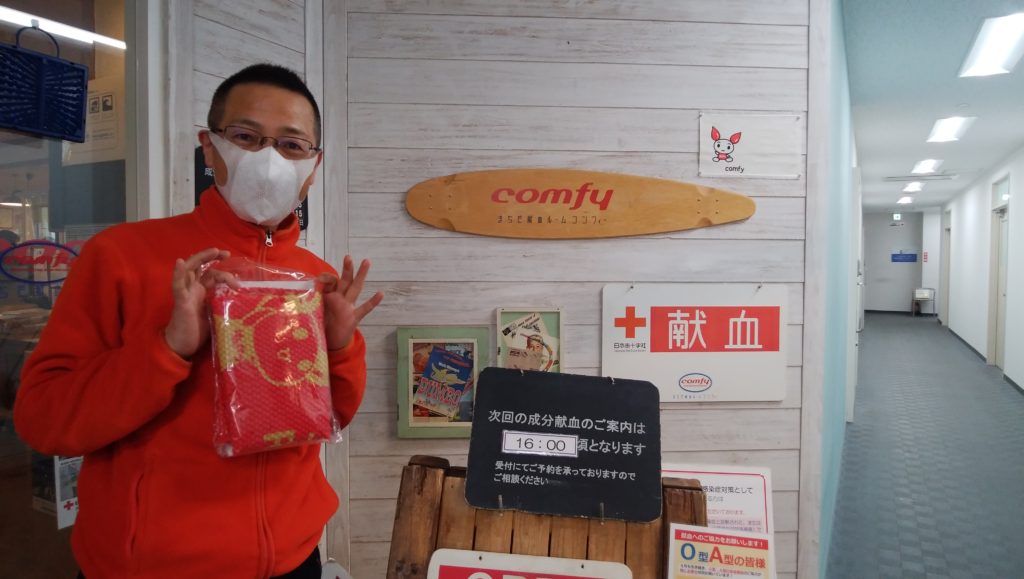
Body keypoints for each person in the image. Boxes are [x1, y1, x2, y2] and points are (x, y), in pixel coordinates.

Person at [13, 64, 383, 578]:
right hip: (153, 567)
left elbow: (328, 419)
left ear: (313, 166)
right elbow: (44, 420)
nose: (270, 159)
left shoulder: (314, 278)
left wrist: (339, 348)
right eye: (246, 137)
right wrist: (167, 348)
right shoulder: (121, 256)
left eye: (291, 145)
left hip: (294, 560)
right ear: (209, 147)